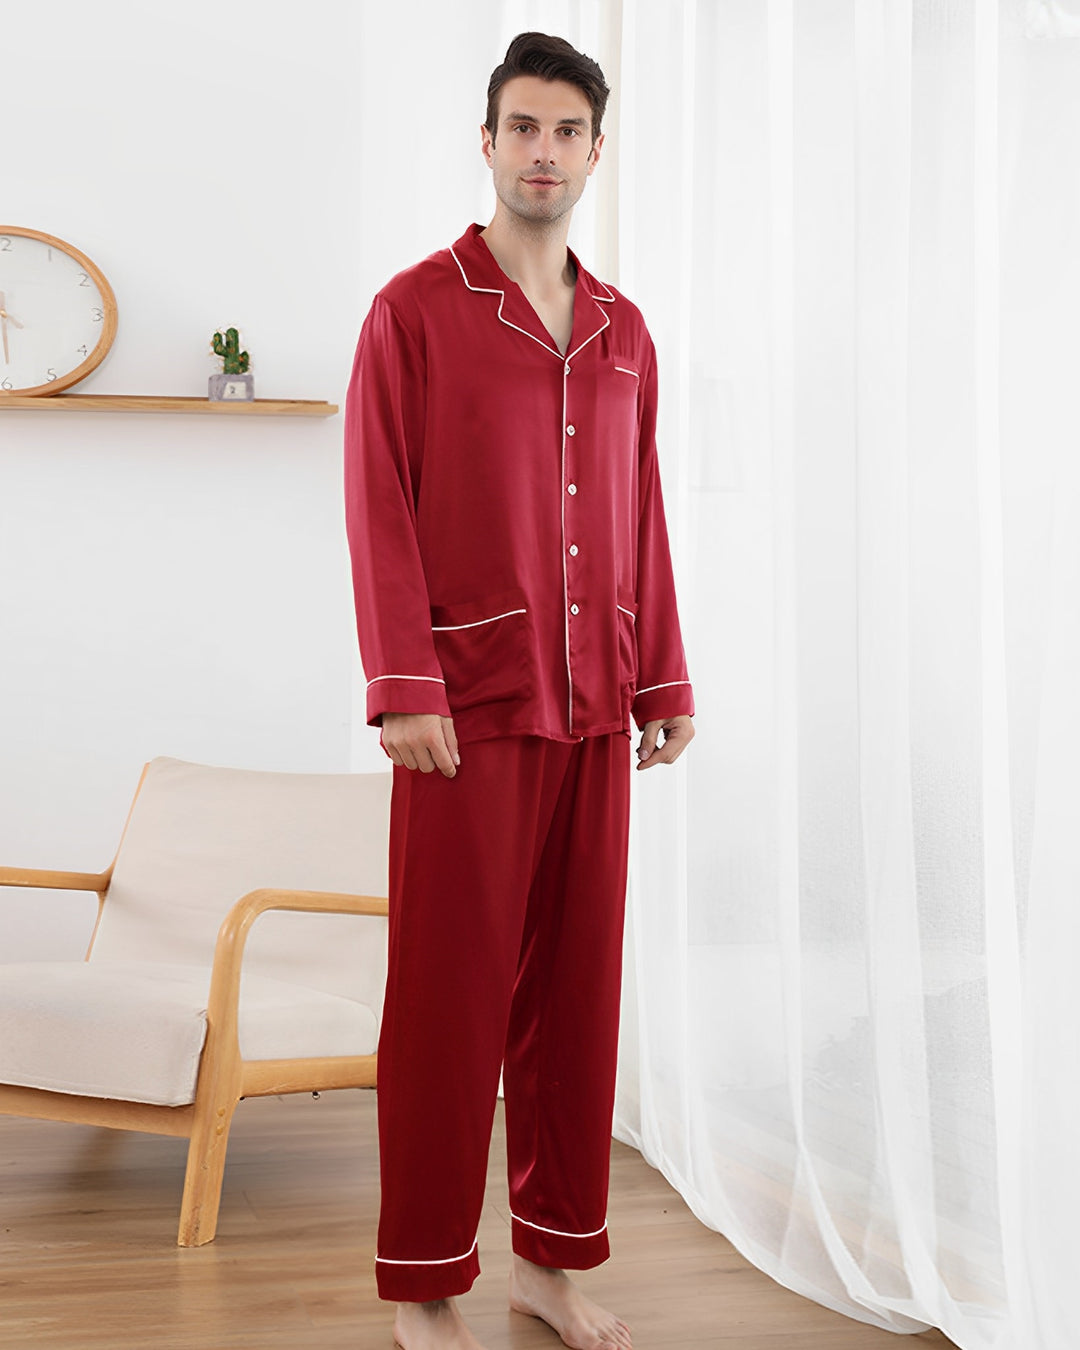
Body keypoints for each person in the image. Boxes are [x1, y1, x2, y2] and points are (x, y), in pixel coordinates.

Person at [344, 31, 694, 1350]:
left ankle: (548, 1266)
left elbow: (639, 509)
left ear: (597, 151)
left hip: (598, 704)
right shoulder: (413, 312)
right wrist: (404, 686)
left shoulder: (624, 331)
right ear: (487, 142)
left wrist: (664, 674)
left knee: (576, 1002)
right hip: (465, 709)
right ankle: (426, 1280)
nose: (544, 152)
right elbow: (379, 508)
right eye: (524, 128)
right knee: (448, 1000)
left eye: (568, 131)